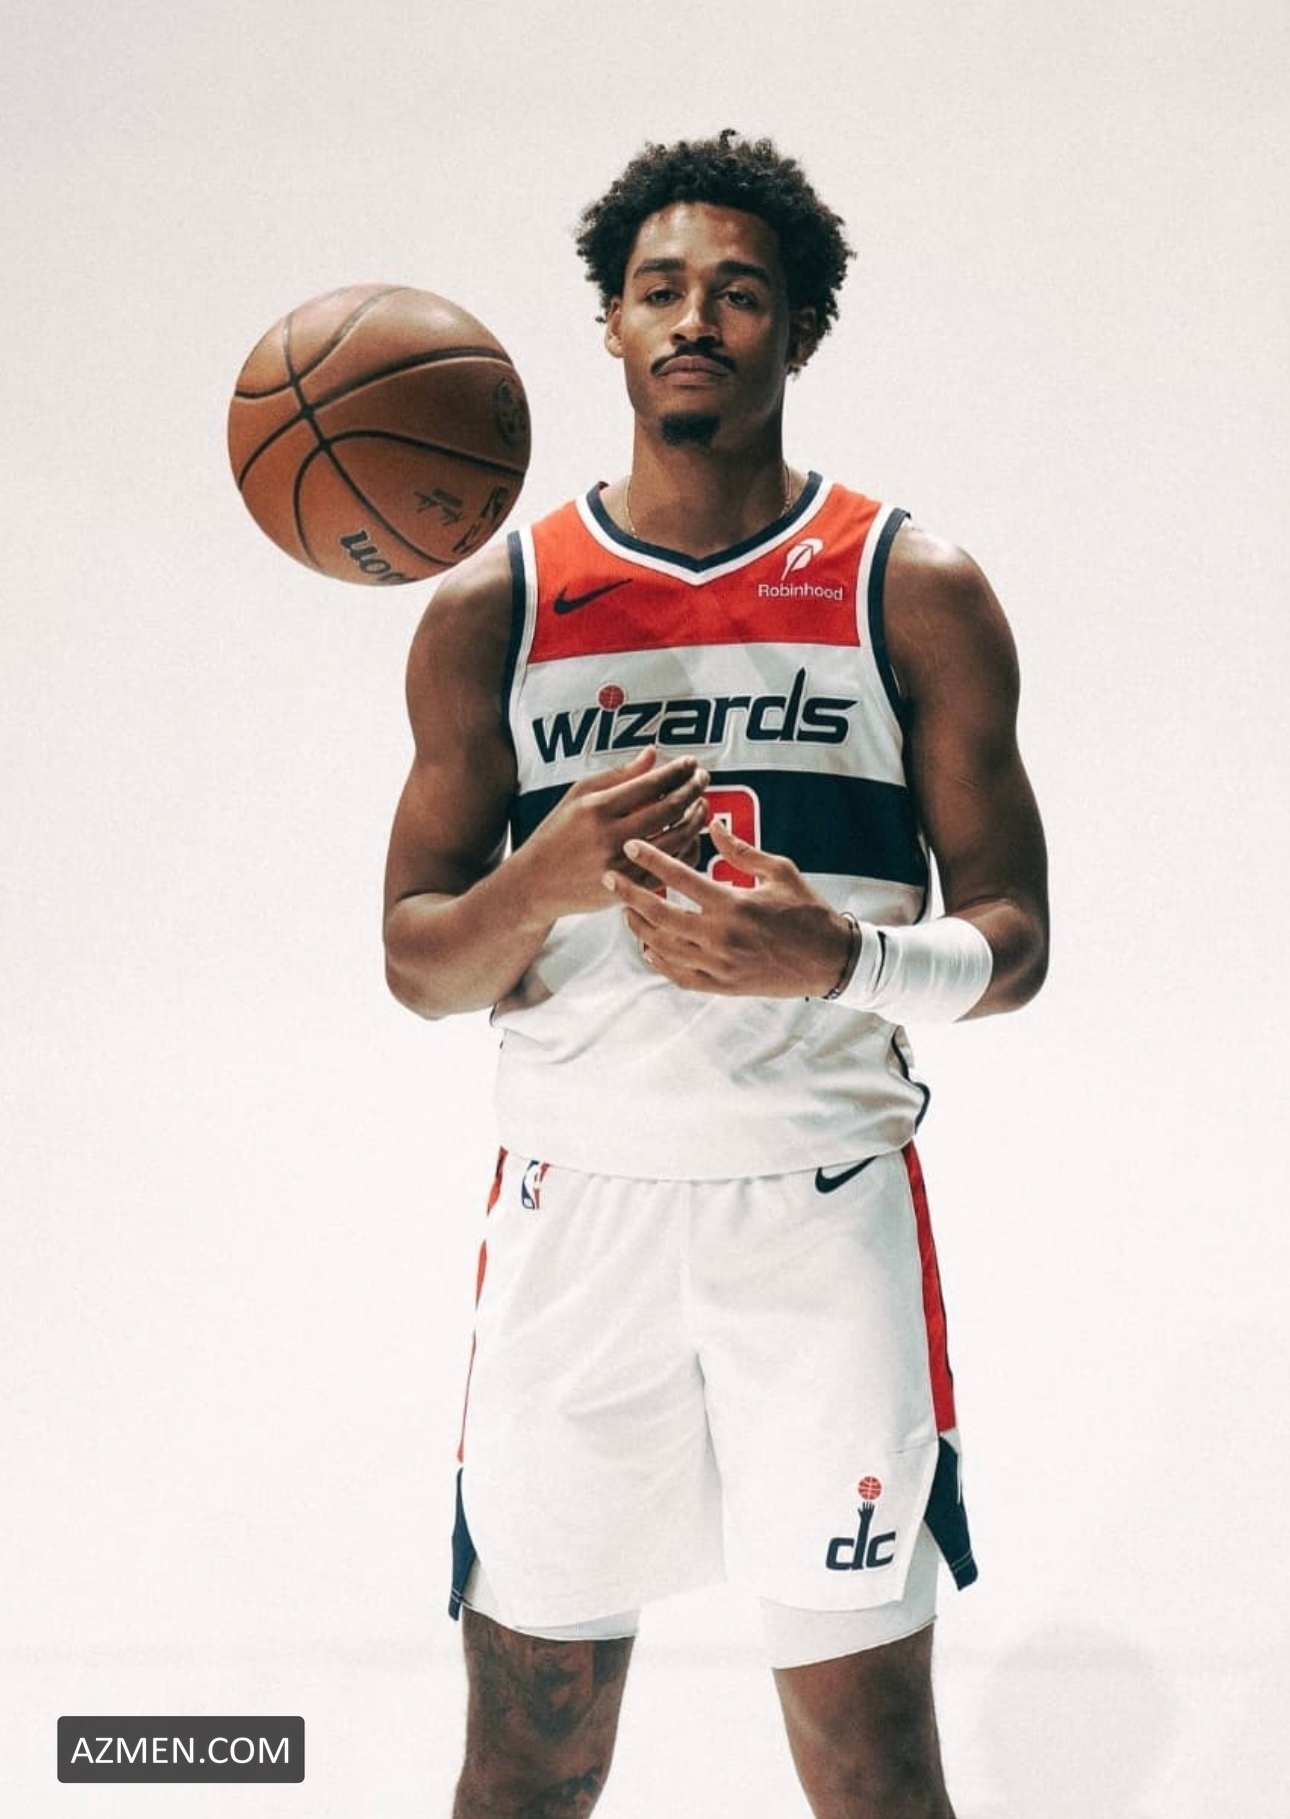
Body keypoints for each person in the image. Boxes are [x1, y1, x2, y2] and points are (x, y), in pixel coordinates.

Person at [384, 129, 1048, 1819]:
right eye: (660, 289)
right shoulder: (495, 604)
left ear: (796, 331)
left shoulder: (911, 585)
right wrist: (533, 883)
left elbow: (1014, 943)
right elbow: (417, 965)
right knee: (528, 1753)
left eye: (740, 294)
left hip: (815, 1221)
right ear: (610, 324)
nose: (695, 320)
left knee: (870, 1763)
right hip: (576, 1219)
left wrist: (845, 960)